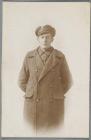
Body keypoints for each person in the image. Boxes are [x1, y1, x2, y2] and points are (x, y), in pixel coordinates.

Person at [18, 25, 72, 132]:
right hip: (33, 105)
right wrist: (33, 92)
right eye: (42, 37)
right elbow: (21, 81)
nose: (45, 40)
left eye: (47, 37)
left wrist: (55, 92)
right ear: (38, 39)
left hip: (53, 106)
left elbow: (68, 81)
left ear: (52, 39)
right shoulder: (29, 56)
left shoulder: (60, 57)